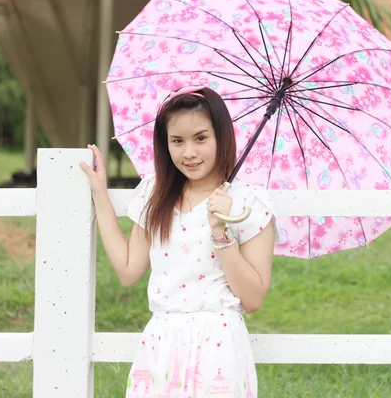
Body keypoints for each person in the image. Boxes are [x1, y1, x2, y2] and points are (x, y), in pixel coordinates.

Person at [79, 86, 277, 398]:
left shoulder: (246, 202)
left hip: (219, 343)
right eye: (177, 141)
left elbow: (252, 299)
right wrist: (100, 196)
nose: (189, 153)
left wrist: (221, 233)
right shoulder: (155, 192)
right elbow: (129, 270)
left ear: (221, 137)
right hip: (162, 339)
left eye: (201, 138)